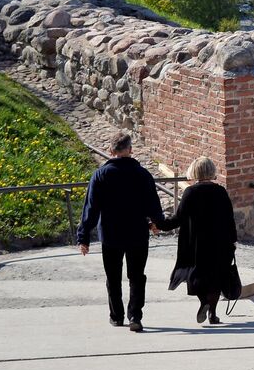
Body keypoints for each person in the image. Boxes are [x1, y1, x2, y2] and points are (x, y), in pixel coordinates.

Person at [77, 134, 166, 333]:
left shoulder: (100, 175)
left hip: (110, 234)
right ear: (130, 150)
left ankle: (116, 316)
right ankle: (135, 315)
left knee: (113, 277)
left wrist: (83, 237)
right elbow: (152, 203)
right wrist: (155, 222)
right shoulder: (142, 174)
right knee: (136, 276)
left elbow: (91, 209)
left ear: (110, 150)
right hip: (137, 233)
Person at [158, 157, 238, 325]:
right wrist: (233, 241)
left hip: (197, 244)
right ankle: (213, 314)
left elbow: (178, 218)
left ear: (194, 171)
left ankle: (204, 302)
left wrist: (159, 224)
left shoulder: (190, 192)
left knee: (199, 277)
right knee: (216, 278)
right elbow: (229, 219)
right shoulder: (221, 192)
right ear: (212, 171)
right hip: (220, 242)